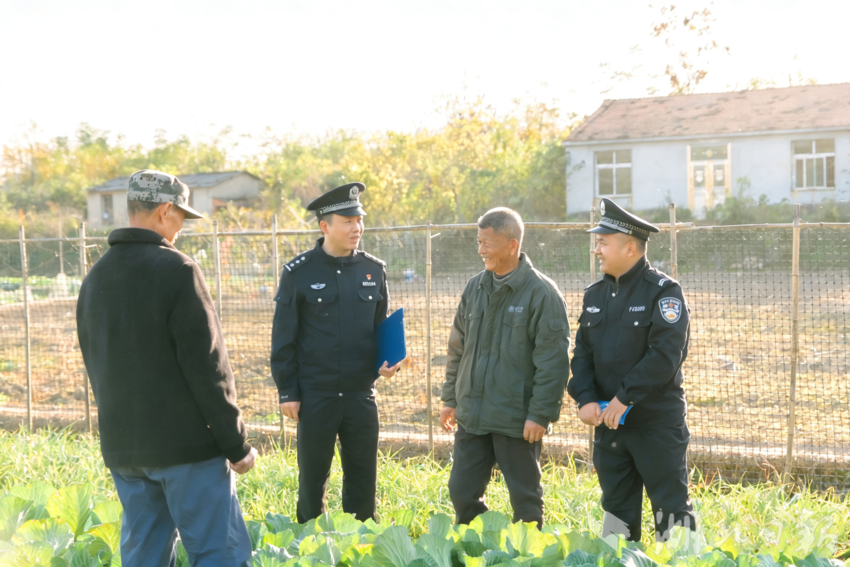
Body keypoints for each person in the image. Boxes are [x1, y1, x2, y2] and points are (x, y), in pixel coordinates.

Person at [77, 170, 257, 567]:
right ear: (163, 211)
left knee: (145, 557)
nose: (180, 229)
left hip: (126, 452)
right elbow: (209, 366)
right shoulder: (177, 270)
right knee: (218, 554)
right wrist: (236, 444)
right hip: (186, 451)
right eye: (180, 217)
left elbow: (95, 362)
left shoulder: (95, 278)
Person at [271, 182, 401, 523]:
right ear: (325, 226)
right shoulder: (298, 273)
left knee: (363, 481)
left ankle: (359, 549)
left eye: (359, 220)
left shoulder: (374, 270)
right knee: (313, 480)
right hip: (316, 396)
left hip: (360, 395)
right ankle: (312, 546)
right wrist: (288, 391)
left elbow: (380, 327)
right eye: (347, 220)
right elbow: (283, 339)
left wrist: (387, 362)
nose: (356, 227)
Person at [567, 197, 695, 543]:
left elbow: (665, 355)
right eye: (597, 242)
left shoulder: (664, 292)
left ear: (629, 247)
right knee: (616, 515)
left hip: (655, 425)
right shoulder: (595, 295)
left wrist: (625, 397)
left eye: (603, 242)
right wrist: (586, 398)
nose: (597, 250)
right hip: (609, 429)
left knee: (671, 512)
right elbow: (582, 355)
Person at [439, 207, 571, 529]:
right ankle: (483, 548)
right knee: (461, 491)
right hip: (473, 414)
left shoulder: (542, 294)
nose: (480, 250)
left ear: (512, 245)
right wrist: (449, 399)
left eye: (487, 243)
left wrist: (540, 413)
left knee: (525, 499)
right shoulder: (475, 288)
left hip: (517, 420)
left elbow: (553, 362)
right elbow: (457, 348)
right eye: (478, 242)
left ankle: (526, 557)